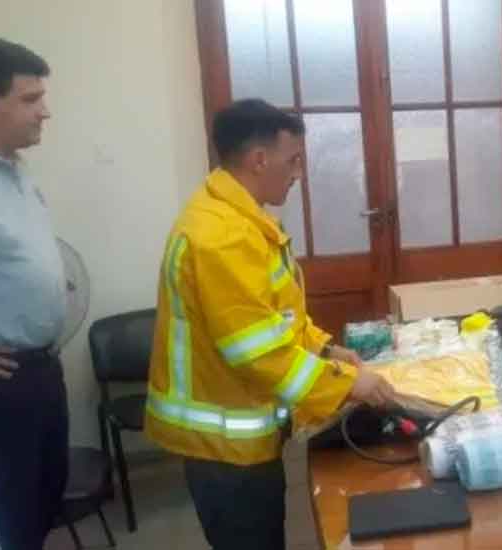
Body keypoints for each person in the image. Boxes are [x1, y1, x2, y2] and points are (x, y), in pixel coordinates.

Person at [145, 99, 396, 550]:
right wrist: (345, 386)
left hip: (243, 439)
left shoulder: (240, 217)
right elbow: (256, 351)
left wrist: (325, 350)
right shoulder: (221, 236)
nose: (299, 173)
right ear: (259, 159)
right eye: (293, 160)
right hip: (224, 450)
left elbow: (276, 318)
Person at [0, 39, 68, 550]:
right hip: (5, 381)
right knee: (12, 516)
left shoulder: (16, 171)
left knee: (44, 499)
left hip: (43, 368)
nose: (45, 111)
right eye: (29, 98)